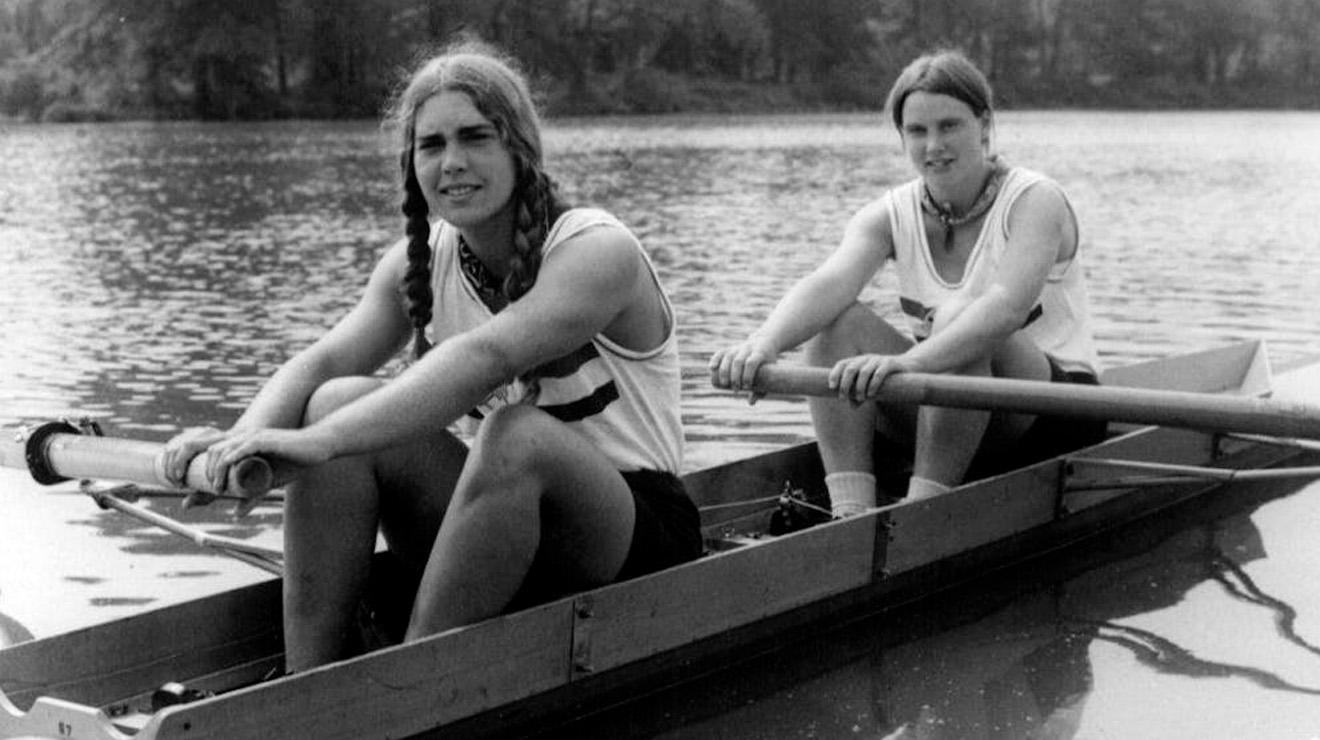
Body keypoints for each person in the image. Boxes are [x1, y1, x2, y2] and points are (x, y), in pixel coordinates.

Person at [160, 38, 701, 671]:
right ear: (411, 163)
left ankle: (409, 689)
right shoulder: (418, 263)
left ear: (520, 150)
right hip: (502, 528)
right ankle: (309, 684)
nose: (453, 163)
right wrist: (240, 443)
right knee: (336, 400)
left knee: (513, 433)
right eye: (432, 145)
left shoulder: (597, 250)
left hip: (633, 537)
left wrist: (323, 441)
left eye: (475, 138)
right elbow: (321, 363)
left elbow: (489, 354)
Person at [709, 50, 1105, 517]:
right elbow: (830, 282)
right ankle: (850, 515)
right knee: (839, 325)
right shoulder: (890, 213)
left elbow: (1004, 309)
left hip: (1053, 413)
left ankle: (920, 515)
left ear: (984, 124)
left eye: (949, 125)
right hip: (951, 399)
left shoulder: (1035, 200)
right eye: (917, 131)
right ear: (902, 138)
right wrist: (763, 344)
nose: (933, 144)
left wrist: (911, 364)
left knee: (962, 319)